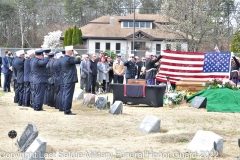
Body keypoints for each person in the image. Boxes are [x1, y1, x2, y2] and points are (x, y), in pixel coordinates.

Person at [61, 46, 81, 115]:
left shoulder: (63, 58)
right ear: (70, 51)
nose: (73, 52)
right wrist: (77, 54)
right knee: (68, 95)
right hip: (70, 79)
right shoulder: (69, 59)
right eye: (72, 51)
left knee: (65, 94)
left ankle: (65, 108)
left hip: (66, 78)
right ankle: (67, 110)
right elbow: (78, 61)